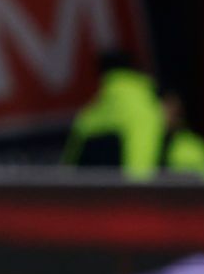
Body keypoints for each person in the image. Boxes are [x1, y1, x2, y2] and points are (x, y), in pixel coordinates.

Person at [61, 50, 164, 180]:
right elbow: (140, 170)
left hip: (88, 197)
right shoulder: (144, 109)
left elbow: (66, 173)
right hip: (124, 197)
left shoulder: (87, 115)